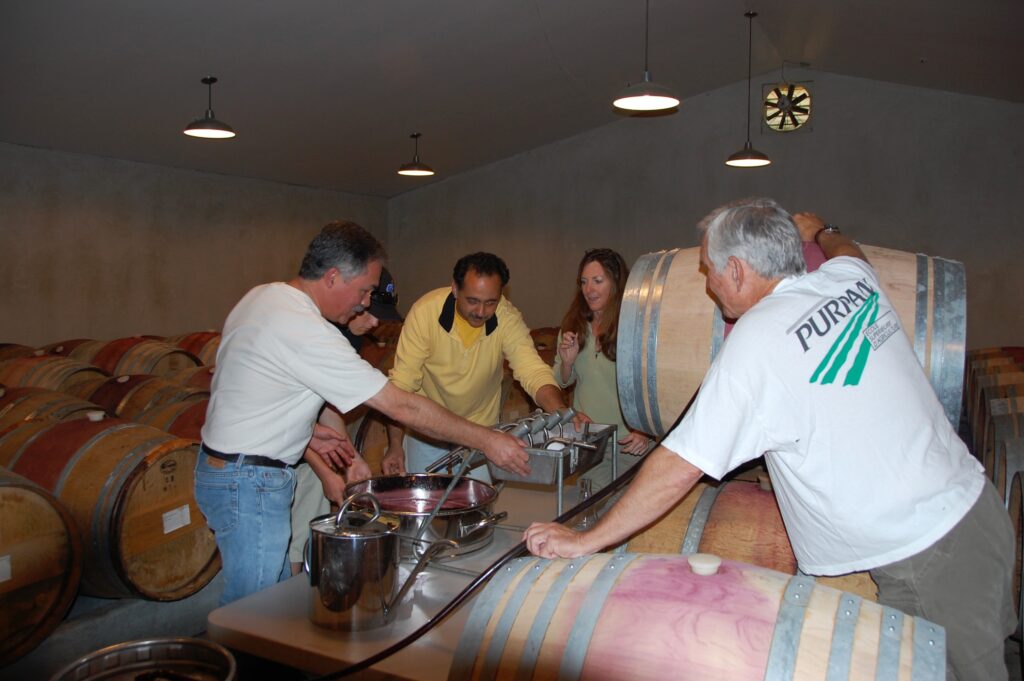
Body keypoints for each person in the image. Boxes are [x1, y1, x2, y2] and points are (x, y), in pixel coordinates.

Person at [525, 199, 1014, 680]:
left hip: (926, 560)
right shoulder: (848, 280)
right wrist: (822, 230)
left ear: (736, 270)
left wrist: (586, 540)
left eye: (708, 270)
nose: (707, 283)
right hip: (975, 513)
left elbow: (678, 466)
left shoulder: (756, 342)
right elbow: (849, 251)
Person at [196, 220, 529, 605]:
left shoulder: (265, 296)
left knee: (257, 598)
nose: (367, 302)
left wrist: (307, 433)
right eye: (366, 290)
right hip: (250, 480)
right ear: (334, 277)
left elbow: (272, 393)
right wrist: (486, 439)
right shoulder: (305, 329)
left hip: (227, 469)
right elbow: (400, 403)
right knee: (250, 610)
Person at [382, 252, 577, 482]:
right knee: (426, 509)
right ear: (455, 289)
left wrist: (561, 412)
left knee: (478, 508)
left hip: (482, 431)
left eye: (490, 302)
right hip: (426, 432)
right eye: (472, 301)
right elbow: (401, 388)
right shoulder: (425, 313)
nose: (481, 312)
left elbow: (532, 370)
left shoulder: (507, 317)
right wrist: (395, 445)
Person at [287, 269, 404, 574]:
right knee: (282, 545)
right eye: (369, 312)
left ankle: (299, 590)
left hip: (309, 446)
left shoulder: (349, 335)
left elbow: (326, 404)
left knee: (304, 533)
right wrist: (326, 471)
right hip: (277, 453)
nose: (375, 322)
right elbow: (289, 420)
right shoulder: (317, 334)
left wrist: (351, 458)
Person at [554, 248, 653, 488]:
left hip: (627, 440)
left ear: (616, 284)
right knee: (590, 498)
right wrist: (567, 362)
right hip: (588, 439)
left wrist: (646, 431)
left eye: (598, 281)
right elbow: (561, 381)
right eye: (584, 282)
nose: (589, 289)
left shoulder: (636, 325)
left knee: (603, 502)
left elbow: (654, 385)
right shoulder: (574, 325)